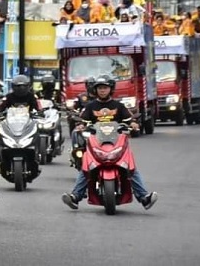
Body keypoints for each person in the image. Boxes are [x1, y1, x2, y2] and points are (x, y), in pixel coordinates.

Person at [62, 75, 158, 211]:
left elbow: (130, 119)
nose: (102, 91)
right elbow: (81, 121)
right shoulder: (90, 107)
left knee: (130, 168)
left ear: (111, 89)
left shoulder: (119, 106)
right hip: (96, 142)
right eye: (100, 88)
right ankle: (75, 196)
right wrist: (80, 125)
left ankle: (144, 197)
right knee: (86, 168)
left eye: (105, 88)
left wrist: (133, 123)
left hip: (117, 142)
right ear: (96, 90)